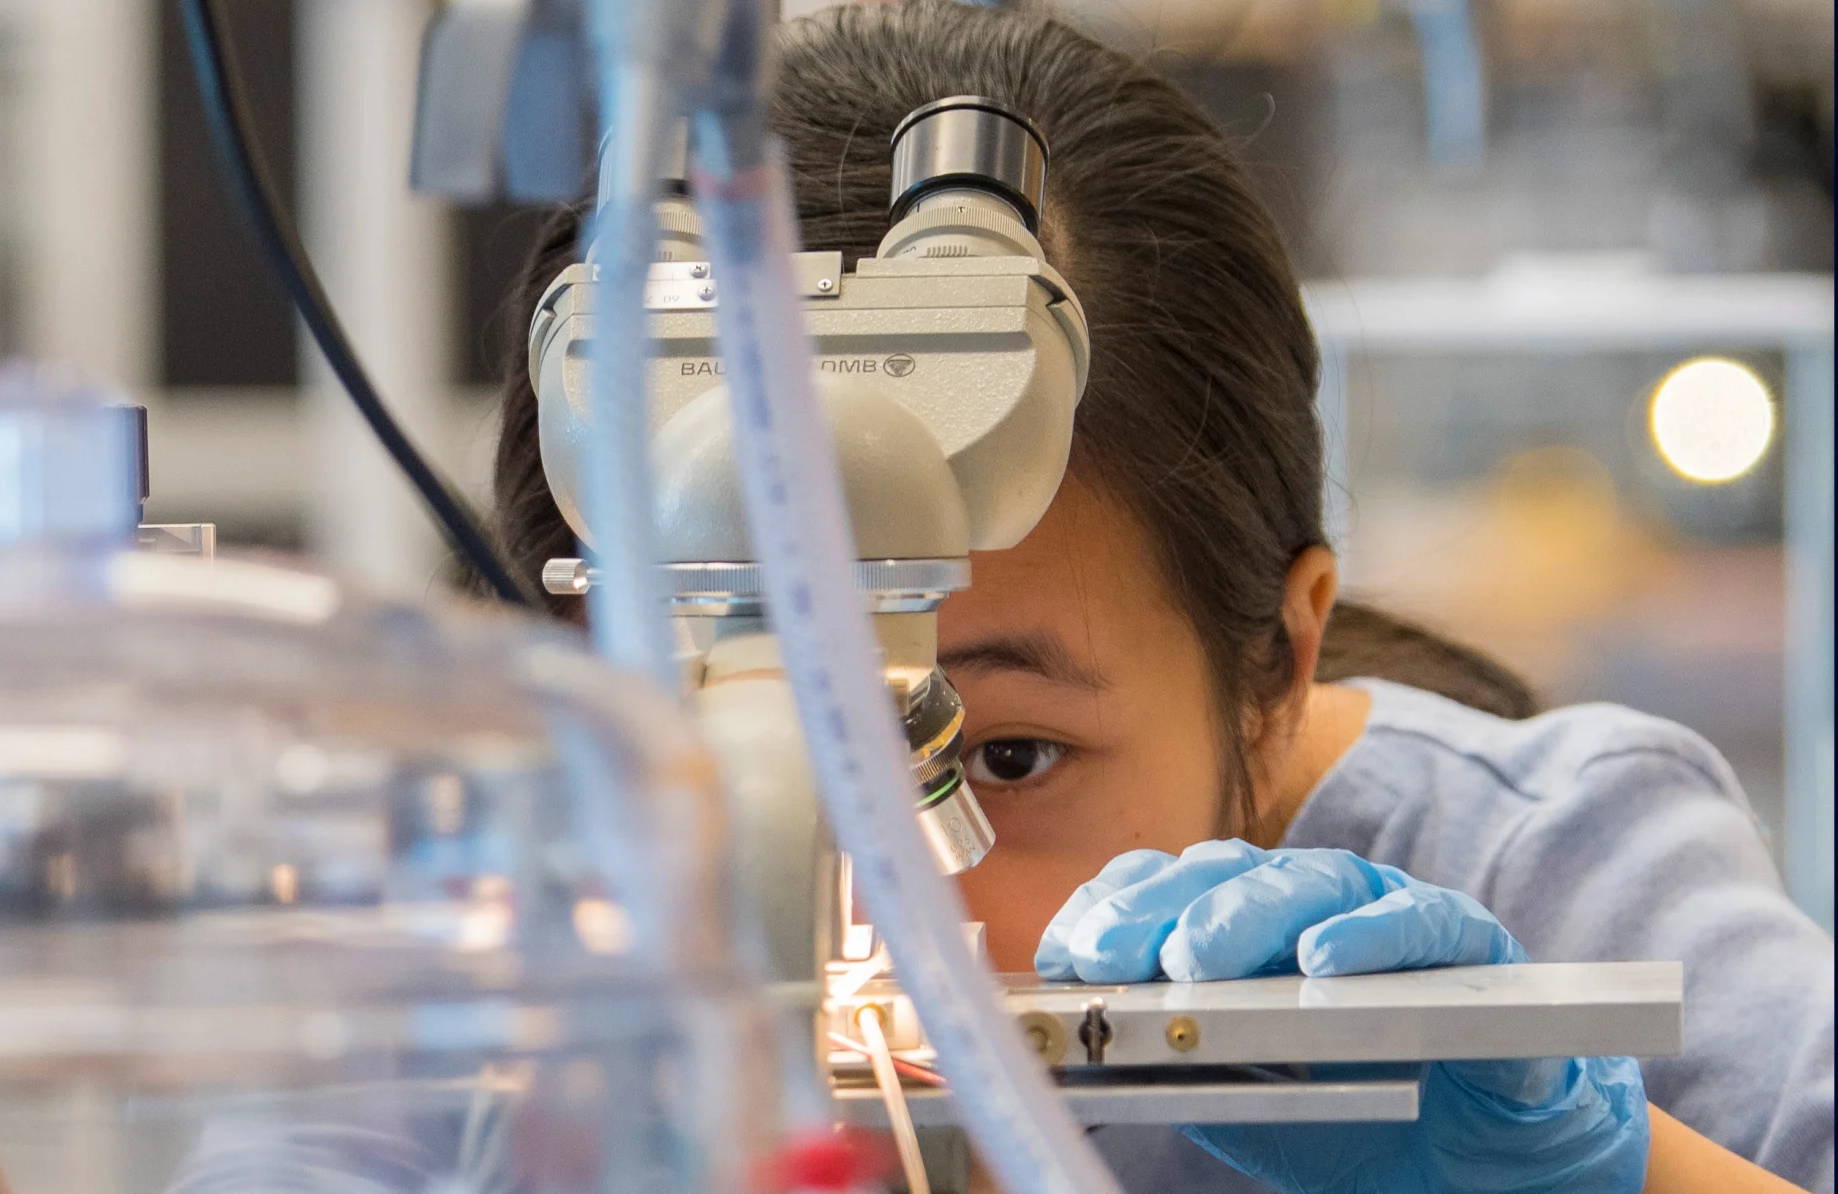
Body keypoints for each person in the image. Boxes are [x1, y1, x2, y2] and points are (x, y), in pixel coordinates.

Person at [481, 5, 1829, 1192]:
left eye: (997, 755)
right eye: (716, 743)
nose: (863, 919)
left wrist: (1620, 1182)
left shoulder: (1557, 863)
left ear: (1278, 667)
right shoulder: (491, 943)